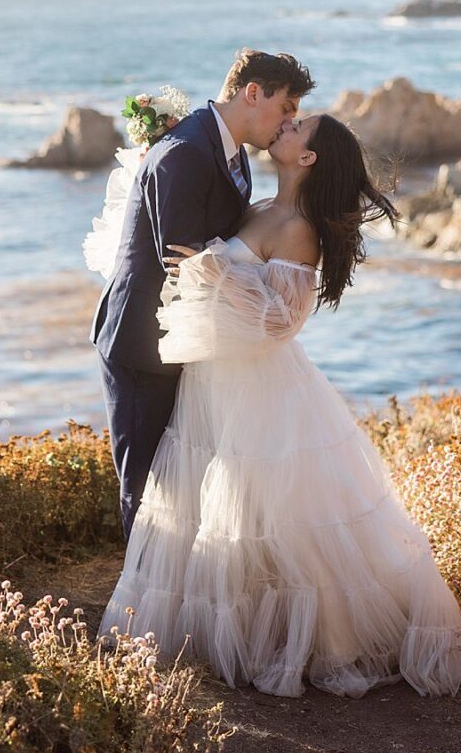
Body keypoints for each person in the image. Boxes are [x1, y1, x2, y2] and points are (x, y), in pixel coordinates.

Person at [91, 111, 461, 699]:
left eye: (299, 126)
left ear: (308, 159)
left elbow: (282, 321)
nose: (286, 124)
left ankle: (312, 635)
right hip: (214, 379)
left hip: (258, 385)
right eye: (290, 116)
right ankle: (241, 623)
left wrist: (215, 274)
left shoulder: (298, 226)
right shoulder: (257, 207)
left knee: (277, 515)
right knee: (228, 509)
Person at [90, 49, 314, 541]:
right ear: (253, 93)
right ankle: (138, 602)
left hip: (182, 343)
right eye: (285, 108)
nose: (286, 123)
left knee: (179, 486)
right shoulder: (188, 152)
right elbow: (182, 263)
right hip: (141, 343)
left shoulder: (230, 151)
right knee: (146, 486)